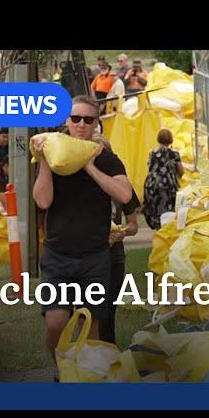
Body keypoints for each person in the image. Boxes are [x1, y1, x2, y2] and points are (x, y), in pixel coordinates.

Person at [32, 95, 132, 379]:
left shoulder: (106, 158)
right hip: (57, 255)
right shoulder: (54, 152)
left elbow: (125, 194)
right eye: (75, 118)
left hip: (94, 257)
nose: (81, 125)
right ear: (67, 121)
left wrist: (89, 165)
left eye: (88, 120)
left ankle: (87, 377)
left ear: (96, 123)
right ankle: (61, 372)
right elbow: (42, 201)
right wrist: (43, 161)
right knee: (56, 321)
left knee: (93, 327)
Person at [99, 192, 140, 344]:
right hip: (87, 259)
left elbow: (133, 225)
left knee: (108, 316)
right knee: (88, 315)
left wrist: (122, 231)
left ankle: (109, 358)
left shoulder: (121, 186)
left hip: (113, 258)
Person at [143, 129, 184, 230]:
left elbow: (149, 166)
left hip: (152, 183)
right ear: (171, 139)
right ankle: (166, 231)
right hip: (168, 184)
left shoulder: (152, 152)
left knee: (155, 207)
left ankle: (157, 229)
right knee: (168, 209)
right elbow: (181, 170)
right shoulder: (174, 154)